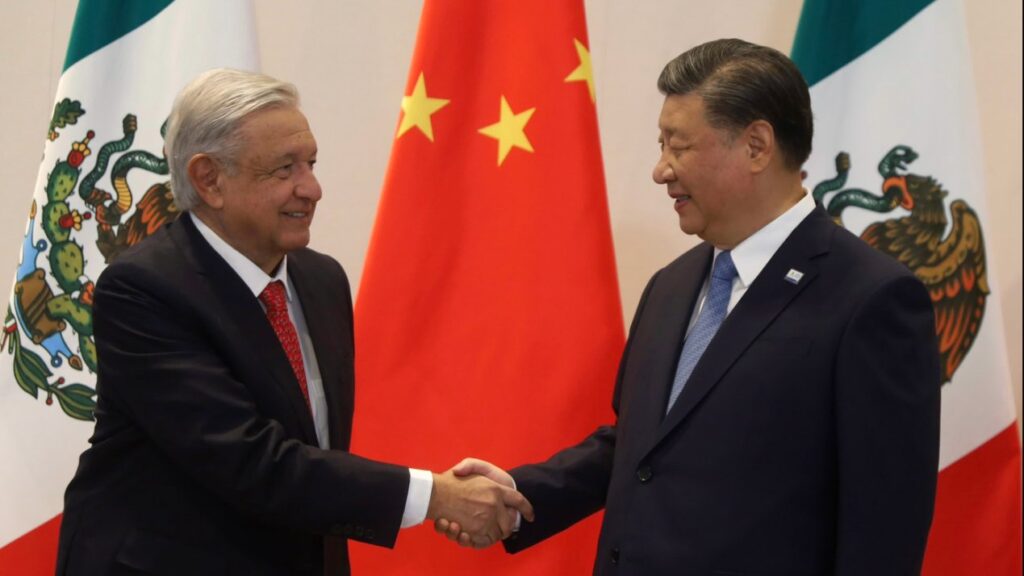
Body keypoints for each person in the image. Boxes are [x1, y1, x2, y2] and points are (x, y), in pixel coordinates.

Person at [437, 39, 941, 575]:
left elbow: (883, 527)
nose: (661, 170)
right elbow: (641, 446)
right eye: (661, 145)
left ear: (756, 145)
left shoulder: (871, 298)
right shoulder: (671, 286)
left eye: (678, 147)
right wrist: (520, 498)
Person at [55, 68, 532, 576]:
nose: (313, 189)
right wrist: (434, 496)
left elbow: (317, 451)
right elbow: (249, 460)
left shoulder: (321, 280)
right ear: (209, 179)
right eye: (284, 170)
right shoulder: (144, 290)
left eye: (311, 163)